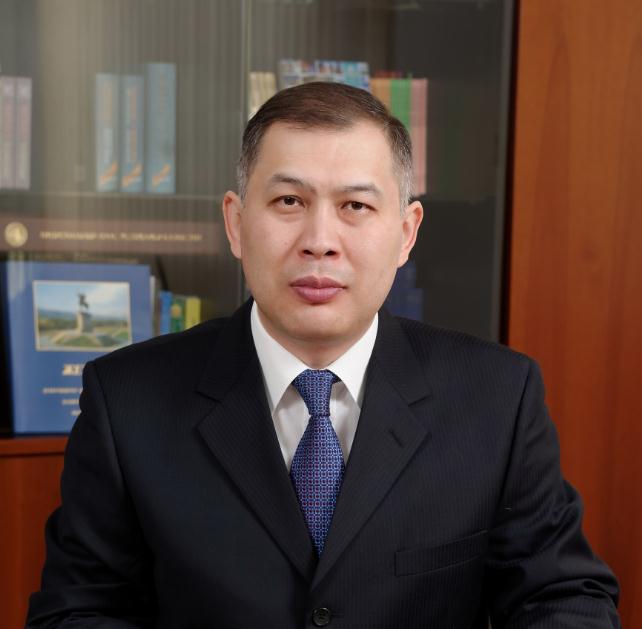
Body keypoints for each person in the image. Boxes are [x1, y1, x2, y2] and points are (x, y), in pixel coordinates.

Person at [27, 82, 620, 628]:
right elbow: (77, 613)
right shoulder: (127, 401)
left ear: (406, 232)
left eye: (355, 206)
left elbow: (564, 599)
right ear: (235, 223)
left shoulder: (497, 397)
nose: (319, 241)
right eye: (289, 201)